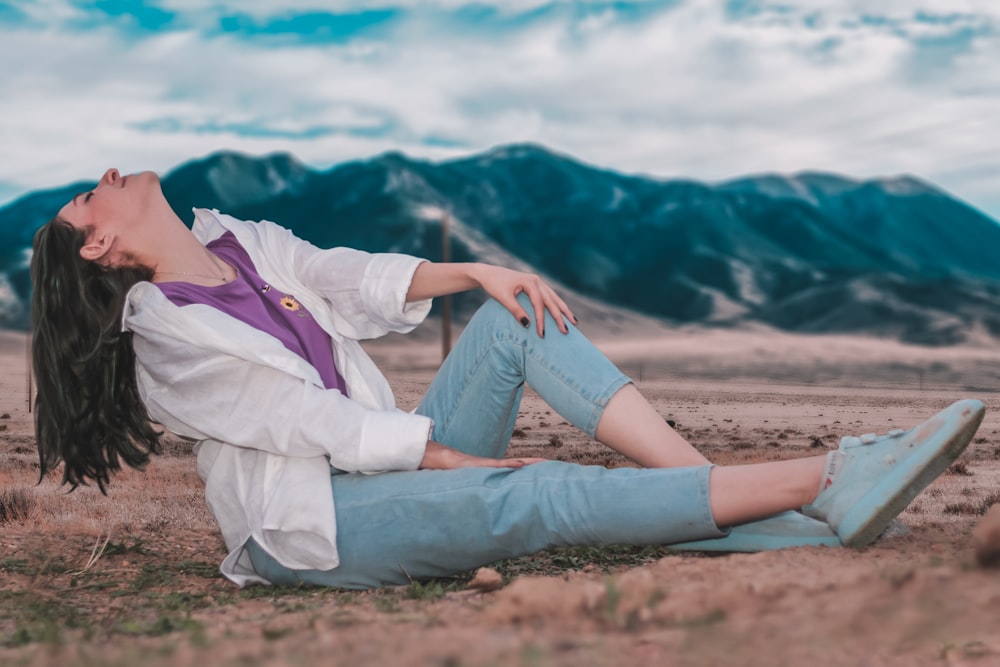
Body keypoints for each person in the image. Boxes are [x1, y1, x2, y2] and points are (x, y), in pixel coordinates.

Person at [30, 168, 985, 589]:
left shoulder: (239, 242)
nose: (105, 174)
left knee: (512, 319)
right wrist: (445, 457)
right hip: (315, 526)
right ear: (104, 245)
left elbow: (345, 274)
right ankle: (826, 475)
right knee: (534, 495)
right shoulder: (165, 342)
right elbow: (303, 420)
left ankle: (723, 506)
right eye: (87, 194)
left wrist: (481, 271)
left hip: (387, 471)